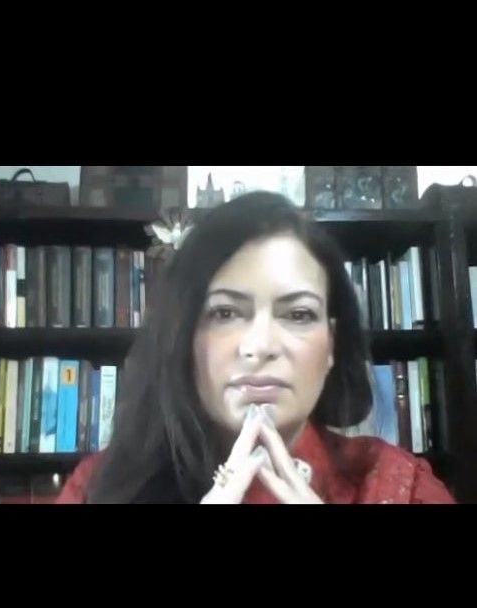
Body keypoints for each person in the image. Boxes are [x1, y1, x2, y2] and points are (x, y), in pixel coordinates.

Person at [58, 191, 454, 504]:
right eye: (225, 313)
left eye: (298, 314)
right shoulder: (98, 487)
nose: (261, 347)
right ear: (184, 337)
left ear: (331, 344)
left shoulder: (404, 488)